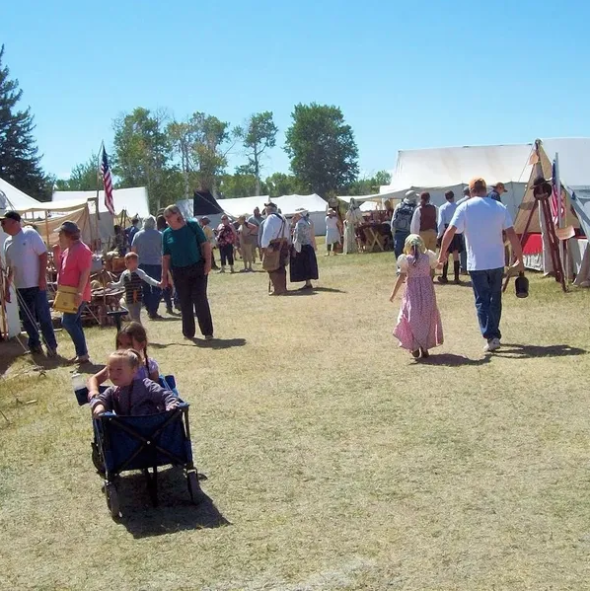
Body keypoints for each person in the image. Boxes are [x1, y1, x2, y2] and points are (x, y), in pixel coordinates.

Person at [439, 177, 525, 353]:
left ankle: (491, 336)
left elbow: (450, 231)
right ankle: (493, 334)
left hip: (476, 263)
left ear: (471, 191)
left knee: (482, 300)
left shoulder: (465, 207)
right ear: (485, 190)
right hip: (496, 262)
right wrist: (520, 258)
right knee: (495, 299)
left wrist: (442, 255)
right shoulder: (499, 207)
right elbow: (512, 233)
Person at [1, 210, 58, 356]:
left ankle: (51, 346)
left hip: (36, 285)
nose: (1, 225)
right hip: (20, 287)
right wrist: (7, 288)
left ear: (14, 222)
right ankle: (35, 345)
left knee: (43, 316)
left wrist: (41, 278)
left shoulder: (29, 234)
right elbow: (9, 268)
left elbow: (43, 254)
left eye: (4, 222)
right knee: (27, 319)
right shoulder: (7, 243)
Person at [161, 204, 214, 340]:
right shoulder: (166, 234)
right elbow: (166, 257)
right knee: (184, 301)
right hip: (178, 270)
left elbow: (205, 244)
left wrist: (208, 263)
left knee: (200, 298)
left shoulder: (192, 225)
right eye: (165, 216)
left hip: (197, 267)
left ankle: (207, 332)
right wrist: (164, 276)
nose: (167, 218)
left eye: (169, 215)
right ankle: (188, 333)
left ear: (178, 214)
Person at [390, 234, 443, 359]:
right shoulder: (428, 257)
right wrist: (441, 260)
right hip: (427, 293)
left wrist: (393, 294)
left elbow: (402, 277)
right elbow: (438, 266)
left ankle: (414, 345)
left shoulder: (406, 260)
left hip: (412, 293)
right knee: (426, 317)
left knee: (411, 316)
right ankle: (424, 346)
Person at [89, 349, 178, 417]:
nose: (113, 373)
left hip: (151, 429)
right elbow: (101, 399)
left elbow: (165, 395)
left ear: (133, 371)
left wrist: (171, 404)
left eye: (119, 370)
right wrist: (99, 406)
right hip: (126, 435)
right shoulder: (112, 392)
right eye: (110, 370)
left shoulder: (146, 385)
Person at [87, 321, 159, 399]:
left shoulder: (149, 366)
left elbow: (156, 389)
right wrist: (94, 391)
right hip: (121, 405)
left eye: (129, 344)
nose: (123, 348)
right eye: (120, 344)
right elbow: (94, 379)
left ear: (141, 345)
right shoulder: (116, 365)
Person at [56, 221, 92, 364]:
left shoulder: (82, 250)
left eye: (60, 234)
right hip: (68, 293)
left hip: (77, 293)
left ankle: (82, 353)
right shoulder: (67, 250)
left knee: (68, 322)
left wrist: (79, 293)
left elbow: (85, 272)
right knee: (74, 322)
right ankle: (82, 354)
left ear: (67, 235)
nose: (59, 236)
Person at [108, 252, 161, 324]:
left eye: (132, 262)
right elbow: (120, 284)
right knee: (133, 317)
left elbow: (148, 279)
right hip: (129, 298)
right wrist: (111, 285)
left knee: (136, 317)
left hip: (138, 298)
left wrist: (157, 284)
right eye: (127, 262)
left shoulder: (140, 272)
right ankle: (137, 331)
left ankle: (139, 331)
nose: (127, 264)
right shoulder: (124, 274)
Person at [131, 216, 164, 319]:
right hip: (156, 264)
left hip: (142, 265)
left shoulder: (137, 235)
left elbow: (133, 251)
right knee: (157, 287)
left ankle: (150, 309)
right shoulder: (160, 235)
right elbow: (163, 251)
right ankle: (153, 310)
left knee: (145, 288)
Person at [260, 202, 290, 296]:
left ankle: (277, 289)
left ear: (269, 210)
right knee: (281, 266)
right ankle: (283, 288)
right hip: (284, 244)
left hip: (274, 245)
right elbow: (288, 233)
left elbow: (267, 232)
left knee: (272, 267)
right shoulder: (283, 218)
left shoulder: (270, 218)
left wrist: (264, 246)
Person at [437, 190, 463, 284]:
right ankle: (456, 277)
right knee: (456, 254)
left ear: (445, 197)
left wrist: (439, 234)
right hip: (456, 230)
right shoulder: (458, 206)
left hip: (447, 229)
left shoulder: (443, 207)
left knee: (446, 253)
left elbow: (440, 222)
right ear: (453, 196)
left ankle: (444, 276)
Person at [290, 209, 319, 290]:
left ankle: (307, 283)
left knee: (304, 265)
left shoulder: (300, 223)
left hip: (302, 247)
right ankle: (308, 282)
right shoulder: (308, 222)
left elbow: (299, 237)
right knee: (308, 265)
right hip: (308, 245)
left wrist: (296, 249)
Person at [157, 215, 176, 313]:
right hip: (171, 260)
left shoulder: (160, 233)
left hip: (160, 261)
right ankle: (176, 302)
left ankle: (169, 305)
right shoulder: (169, 232)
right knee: (173, 282)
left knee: (165, 283)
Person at [391, 191, 418, 259]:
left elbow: (393, 221)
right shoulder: (415, 208)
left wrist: (393, 233)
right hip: (410, 234)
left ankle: (400, 269)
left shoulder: (399, 206)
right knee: (411, 256)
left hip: (398, 233)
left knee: (399, 257)